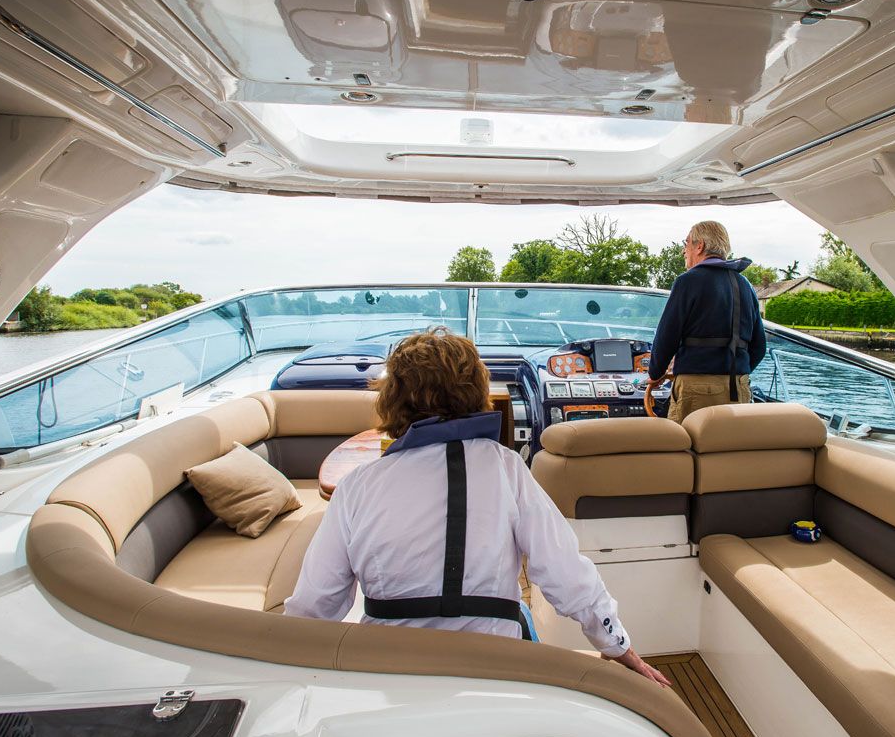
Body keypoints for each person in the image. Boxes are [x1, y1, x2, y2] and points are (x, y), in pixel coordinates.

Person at [285, 326, 670, 687]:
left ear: (391, 401)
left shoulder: (356, 486)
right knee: (522, 613)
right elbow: (564, 572)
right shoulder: (508, 467)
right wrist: (618, 647)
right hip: (493, 666)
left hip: (386, 670)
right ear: (475, 392)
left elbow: (313, 607)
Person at [649, 220, 767, 424]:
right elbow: (759, 347)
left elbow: (667, 337)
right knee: (729, 443)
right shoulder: (744, 285)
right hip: (739, 387)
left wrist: (655, 373)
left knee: (687, 441)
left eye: (686, 243)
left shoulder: (687, 281)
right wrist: (737, 373)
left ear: (700, 246)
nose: (684, 251)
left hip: (697, 388)